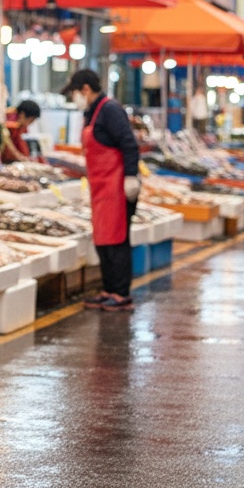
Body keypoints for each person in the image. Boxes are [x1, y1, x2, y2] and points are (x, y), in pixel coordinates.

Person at [62, 69, 141, 312]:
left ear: (85, 89)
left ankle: (121, 294)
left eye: (75, 93)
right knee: (103, 239)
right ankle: (109, 288)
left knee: (117, 240)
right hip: (100, 186)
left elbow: (129, 144)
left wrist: (130, 176)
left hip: (117, 186)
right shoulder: (93, 112)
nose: (75, 97)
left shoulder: (109, 110)